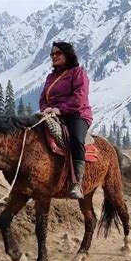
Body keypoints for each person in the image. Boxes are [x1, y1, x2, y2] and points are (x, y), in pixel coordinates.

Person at [39, 41, 92, 199]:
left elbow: (79, 98)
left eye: (58, 53)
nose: (54, 56)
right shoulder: (51, 77)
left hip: (77, 115)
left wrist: (59, 109)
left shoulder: (78, 73)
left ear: (67, 55)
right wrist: (46, 109)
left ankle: (77, 183)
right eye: (52, 54)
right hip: (53, 114)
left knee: (75, 139)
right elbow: (43, 98)